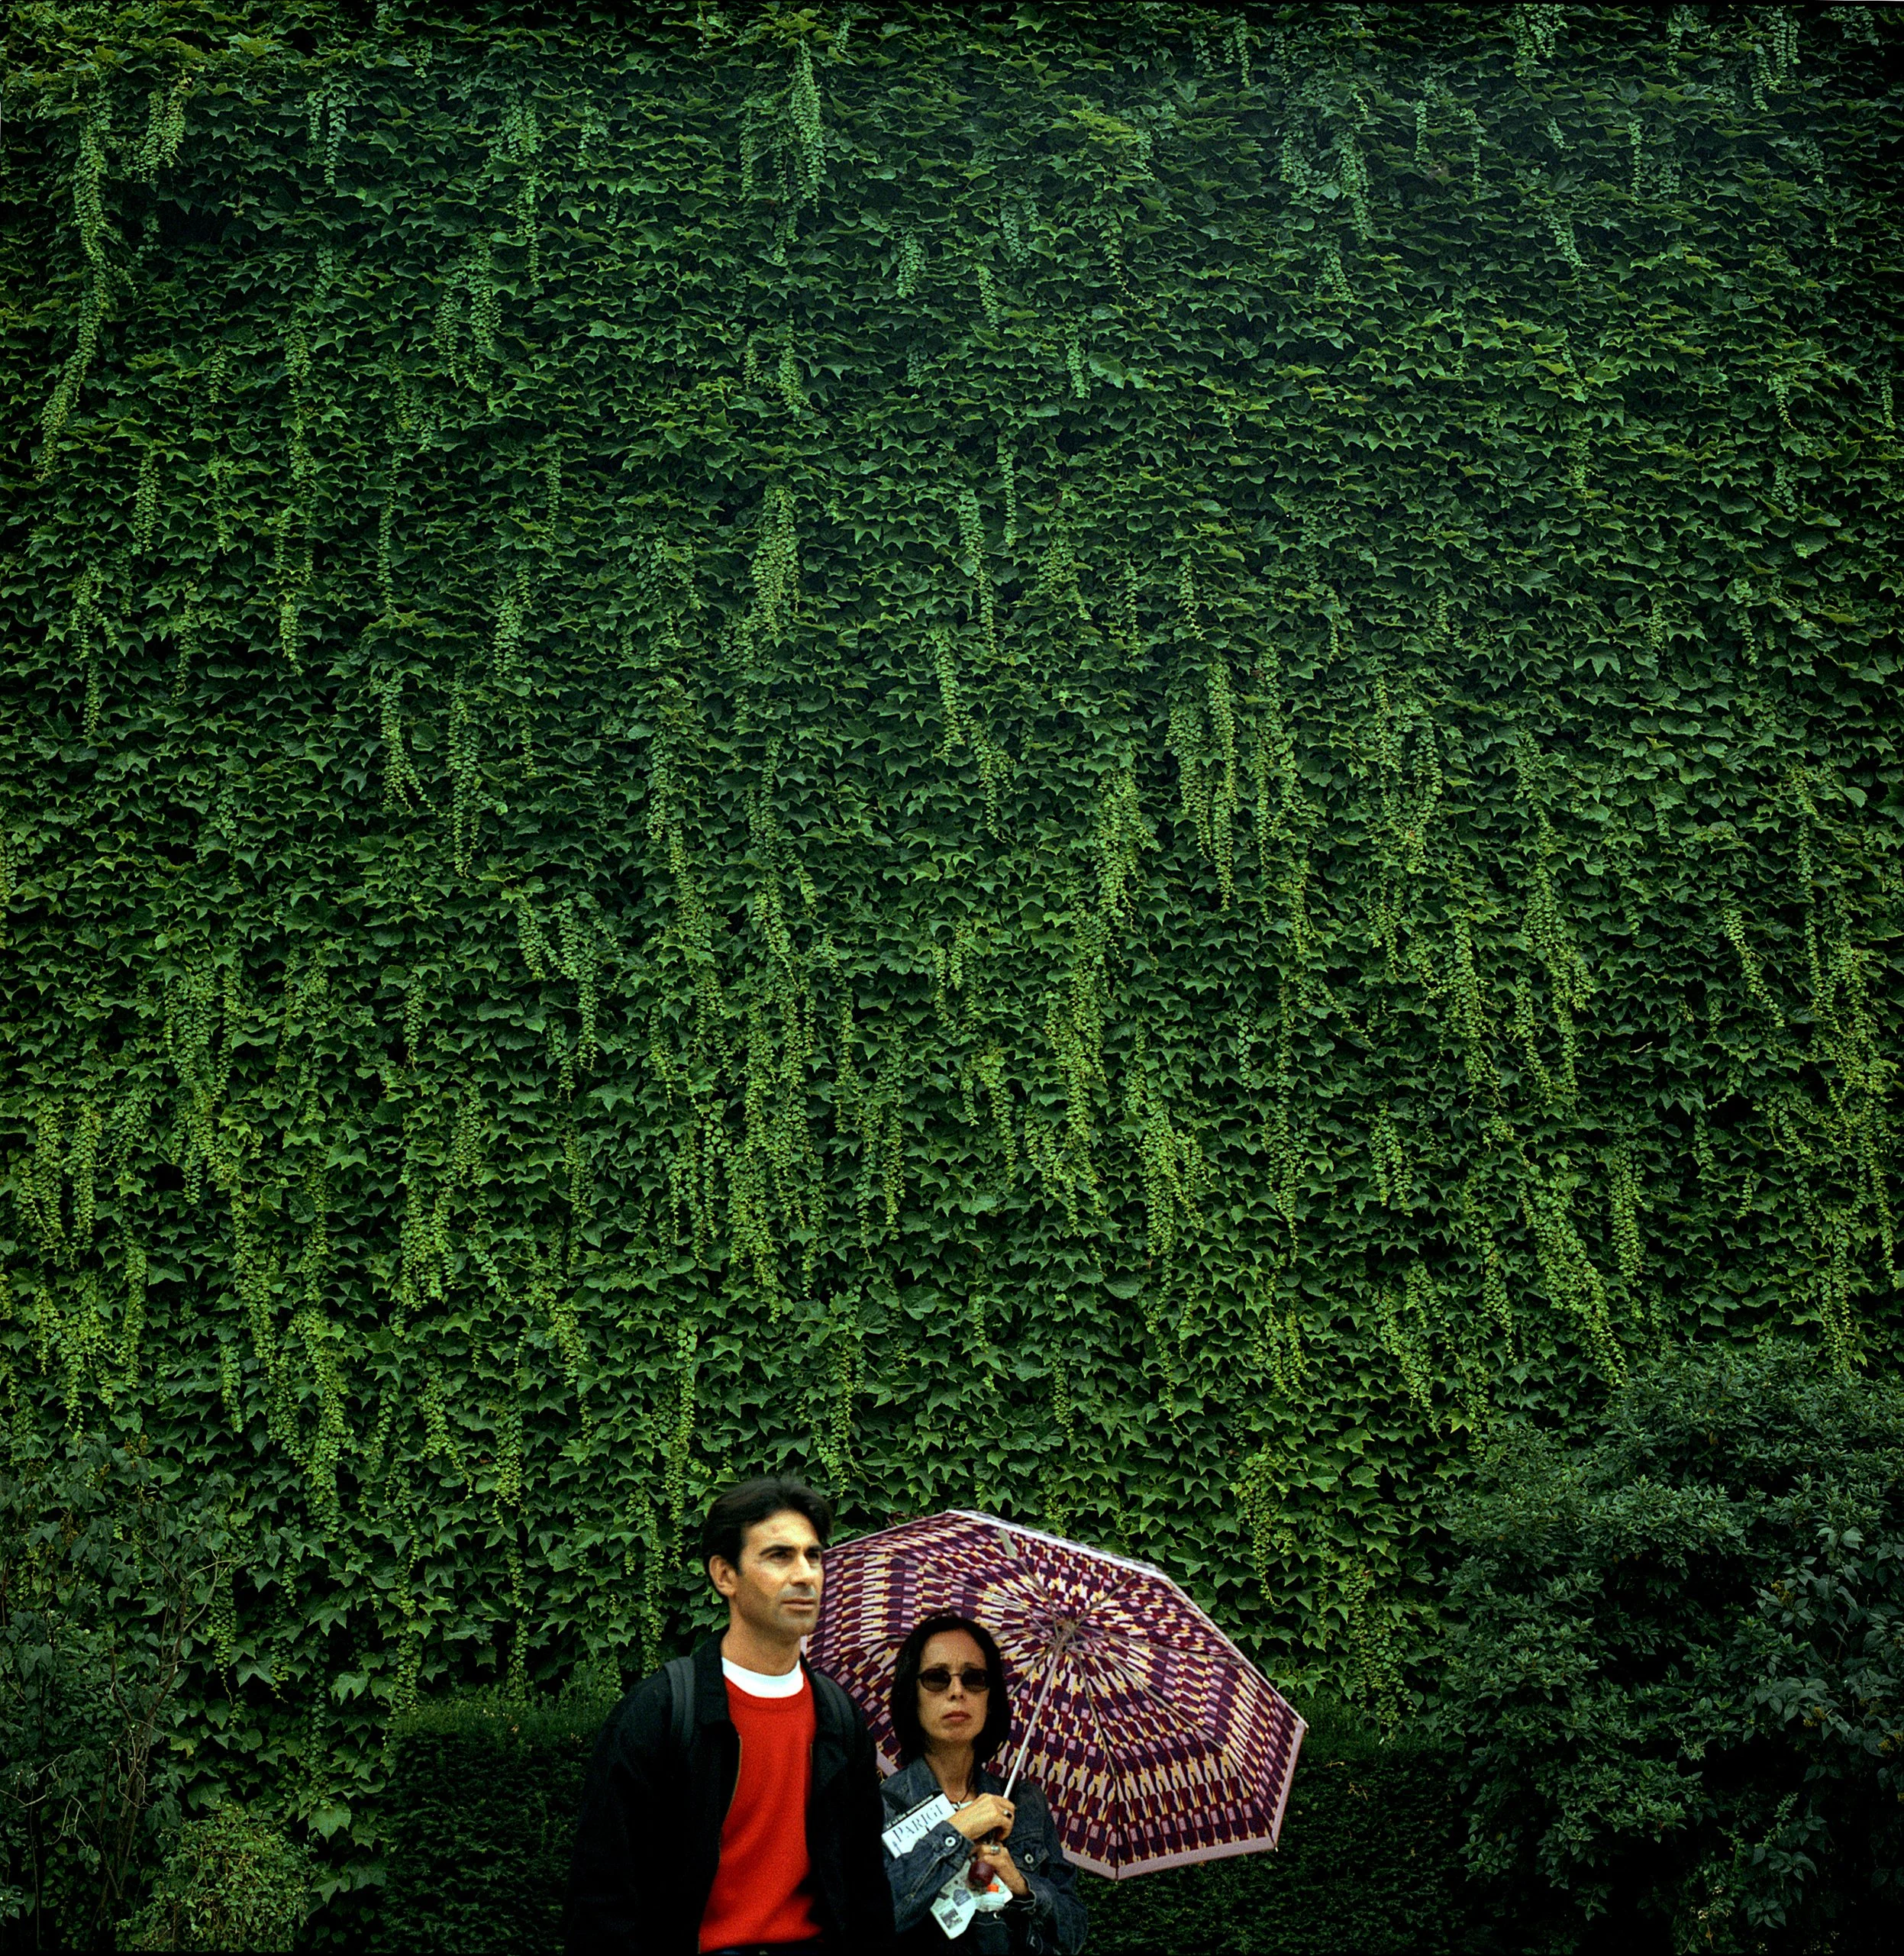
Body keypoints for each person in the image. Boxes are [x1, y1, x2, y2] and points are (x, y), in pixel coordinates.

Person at [564, 1474, 896, 1954]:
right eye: (779, 1556)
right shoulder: (660, 1713)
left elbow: (866, 1891)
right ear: (725, 1576)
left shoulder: (839, 1718)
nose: (806, 1574)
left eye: (814, 1555)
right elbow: (602, 1900)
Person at [879, 1613, 1086, 1954]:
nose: (957, 1691)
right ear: (911, 1695)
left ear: (991, 1700)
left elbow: (1074, 1931)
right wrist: (956, 1832)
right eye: (936, 1678)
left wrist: (1020, 1885)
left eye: (974, 1678)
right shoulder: (880, 1806)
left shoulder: (1024, 1803)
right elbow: (871, 1922)